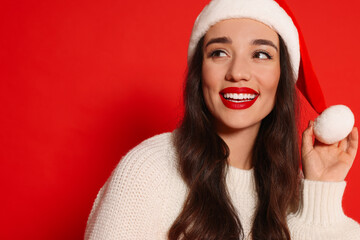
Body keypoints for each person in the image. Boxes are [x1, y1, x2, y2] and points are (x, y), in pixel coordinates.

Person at [85, 0, 360, 239]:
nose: (238, 72)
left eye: (261, 54)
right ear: (199, 71)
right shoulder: (149, 172)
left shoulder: (289, 188)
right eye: (219, 53)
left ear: (282, 76)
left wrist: (322, 189)